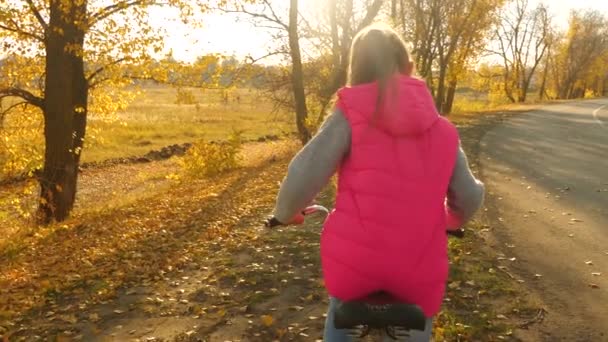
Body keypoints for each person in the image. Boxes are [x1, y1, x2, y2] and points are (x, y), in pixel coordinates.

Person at [270, 23, 484, 341]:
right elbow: (469, 195)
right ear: (409, 68)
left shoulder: (348, 115)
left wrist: (287, 214)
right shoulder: (444, 132)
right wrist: (450, 220)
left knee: (340, 311)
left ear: (355, 71)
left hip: (354, 271)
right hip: (416, 274)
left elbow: (302, 175)